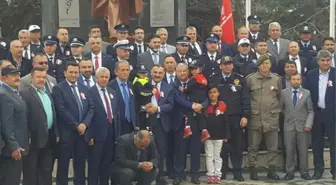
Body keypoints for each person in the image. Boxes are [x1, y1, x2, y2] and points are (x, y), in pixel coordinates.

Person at [52, 61, 94, 185]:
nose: (74, 75)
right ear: (65, 73)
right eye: (71, 72)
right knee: (64, 165)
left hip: (82, 134)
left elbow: (91, 108)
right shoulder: (58, 88)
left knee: (80, 164)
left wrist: (84, 124)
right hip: (67, 133)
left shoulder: (84, 88)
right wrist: (76, 125)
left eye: (76, 72)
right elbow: (61, 110)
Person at [20, 67, 59, 185]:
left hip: (49, 138)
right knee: (31, 172)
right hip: (33, 140)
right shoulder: (25, 94)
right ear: (32, 78)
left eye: (43, 77)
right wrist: (27, 136)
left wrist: (56, 132)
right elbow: (23, 118)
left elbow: (53, 114)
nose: (41, 79)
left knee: (46, 171)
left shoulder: (48, 93)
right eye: (38, 77)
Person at [246, 54, 282, 180]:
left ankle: (271, 169)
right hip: (255, 118)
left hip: (271, 118)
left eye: (267, 63)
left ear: (270, 65)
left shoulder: (276, 79)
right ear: (258, 65)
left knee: (272, 147)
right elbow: (247, 98)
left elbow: (279, 97)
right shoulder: (250, 79)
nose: (265, 66)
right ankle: (253, 169)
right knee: (253, 146)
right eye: (262, 63)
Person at [303, 50, 336, 180]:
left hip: (332, 115)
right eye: (323, 60)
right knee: (317, 144)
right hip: (316, 114)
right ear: (318, 61)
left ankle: (335, 171)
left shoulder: (335, 74)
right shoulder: (310, 75)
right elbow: (306, 94)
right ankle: (318, 170)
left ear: (331, 60)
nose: (325, 63)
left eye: (328, 60)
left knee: (334, 144)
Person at [216, 56, 250, 181]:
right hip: (219, 118)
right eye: (224, 64)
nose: (227, 66)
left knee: (237, 147)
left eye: (229, 64)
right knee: (222, 147)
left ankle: (237, 172)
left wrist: (245, 116)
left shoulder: (239, 79)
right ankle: (222, 171)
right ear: (220, 66)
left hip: (236, 118)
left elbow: (245, 99)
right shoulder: (214, 79)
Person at [88, 67, 119, 185]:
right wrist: (89, 135)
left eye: (106, 77)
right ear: (96, 78)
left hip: (110, 134)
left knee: (106, 164)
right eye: (102, 77)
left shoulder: (112, 92)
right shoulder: (90, 92)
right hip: (96, 135)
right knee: (94, 165)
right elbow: (89, 115)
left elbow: (116, 113)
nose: (104, 79)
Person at [144, 64, 174, 185]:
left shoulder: (169, 88)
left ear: (164, 74)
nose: (157, 75)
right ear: (151, 73)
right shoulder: (143, 85)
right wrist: (144, 107)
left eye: (160, 73)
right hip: (146, 122)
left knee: (161, 151)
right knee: (145, 150)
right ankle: (145, 178)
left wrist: (158, 109)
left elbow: (171, 105)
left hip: (161, 123)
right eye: (155, 72)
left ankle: (159, 177)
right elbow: (136, 103)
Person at [280, 72, 313, 180]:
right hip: (288, 126)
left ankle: (304, 172)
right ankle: (290, 172)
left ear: (301, 80)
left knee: (303, 150)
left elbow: (310, 111)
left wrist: (308, 124)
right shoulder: (284, 93)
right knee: (289, 150)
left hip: (303, 126)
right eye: (294, 79)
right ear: (290, 81)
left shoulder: (306, 93)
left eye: (298, 79)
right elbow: (281, 108)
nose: (296, 81)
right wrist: (288, 117)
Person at [0, 65, 29, 185]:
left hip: (19, 145)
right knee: (10, 180)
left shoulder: (13, 92)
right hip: (12, 149)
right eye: (13, 75)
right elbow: (6, 124)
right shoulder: (4, 95)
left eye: (18, 74)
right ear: (5, 78)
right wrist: (13, 146)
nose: (18, 77)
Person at [204, 85, 230, 184]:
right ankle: (210, 175)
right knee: (209, 156)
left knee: (217, 156)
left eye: (214, 92)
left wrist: (226, 135)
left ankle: (217, 175)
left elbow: (226, 121)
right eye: (210, 92)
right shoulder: (205, 106)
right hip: (208, 136)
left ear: (218, 93)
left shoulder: (222, 105)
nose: (212, 94)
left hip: (220, 135)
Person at [108, 60, 139, 136]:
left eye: (127, 70)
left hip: (131, 125)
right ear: (116, 72)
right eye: (122, 70)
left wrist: (137, 124)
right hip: (117, 125)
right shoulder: (110, 86)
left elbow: (135, 106)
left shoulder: (131, 86)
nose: (125, 72)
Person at [183, 61, 210, 142]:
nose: (193, 71)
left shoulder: (194, 79)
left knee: (189, 114)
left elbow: (189, 88)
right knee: (200, 117)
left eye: (195, 69)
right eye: (192, 69)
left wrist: (184, 90)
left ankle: (187, 128)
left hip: (195, 100)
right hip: (201, 100)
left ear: (200, 69)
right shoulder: (203, 78)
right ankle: (204, 130)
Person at [132, 65, 153, 130]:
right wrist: (152, 93)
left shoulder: (147, 80)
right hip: (140, 108)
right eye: (141, 73)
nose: (143, 74)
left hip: (149, 108)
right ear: (137, 73)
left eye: (144, 73)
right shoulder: (137, 82)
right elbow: (142, 93)